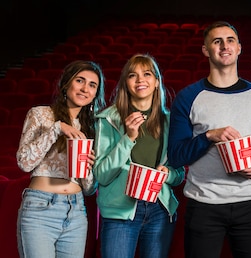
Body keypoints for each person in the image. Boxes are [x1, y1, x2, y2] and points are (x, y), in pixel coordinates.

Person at [168, 20, 251, 258]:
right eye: (217, 41)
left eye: (230, 41)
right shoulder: (188, 97)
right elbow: (176, 156)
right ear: (206, 50)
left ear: (239, 48)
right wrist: (209, 136)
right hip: (203, 204)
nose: (224, 46)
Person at [94, 54, 186, 258]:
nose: (140, 80)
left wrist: (168, 174)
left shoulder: (171, 122)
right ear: (125, 83)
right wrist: (128, 138)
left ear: (156, 82)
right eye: (132, 75)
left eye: (147, 74)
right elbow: (102, 175)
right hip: (120, 211)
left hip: (159, 211)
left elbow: (179, 174)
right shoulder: (108, 119)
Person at [16, 60, 106, 258]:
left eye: (92, 85)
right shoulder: (40, 114)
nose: (85, 89)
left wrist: (89, 168)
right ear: (66, 84)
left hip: (76, 210)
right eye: (80, 81)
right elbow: (24, 162)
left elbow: (90, 189)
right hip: (40, 208)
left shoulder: (94, 127)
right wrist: (56, 129)